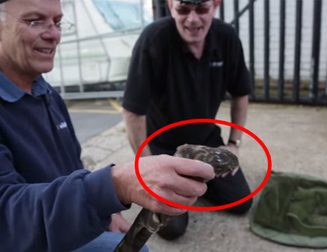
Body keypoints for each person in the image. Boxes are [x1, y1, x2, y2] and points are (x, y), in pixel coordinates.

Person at [0, 0, 216, 251]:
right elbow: (7, 220)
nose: (54, 35)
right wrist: (115, 186)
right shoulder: (154, 39)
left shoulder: (46, 92)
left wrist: (105, 210)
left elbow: (71, 167)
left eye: (57, 22)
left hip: (55, 221)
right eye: (34, 21)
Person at [122, 0, 253, 240]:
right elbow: (132, 111)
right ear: (171, 6)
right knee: (172, 229)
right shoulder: (154, 38)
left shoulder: (226, 37)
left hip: (207, 142)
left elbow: (241, 92)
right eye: (183, 9)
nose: (193, 19)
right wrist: (147, 165)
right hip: (162, 146)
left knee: (241, 202)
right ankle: (186, 182)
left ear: (215, 5)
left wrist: (234, 143)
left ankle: (193, 180)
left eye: (202, 9)